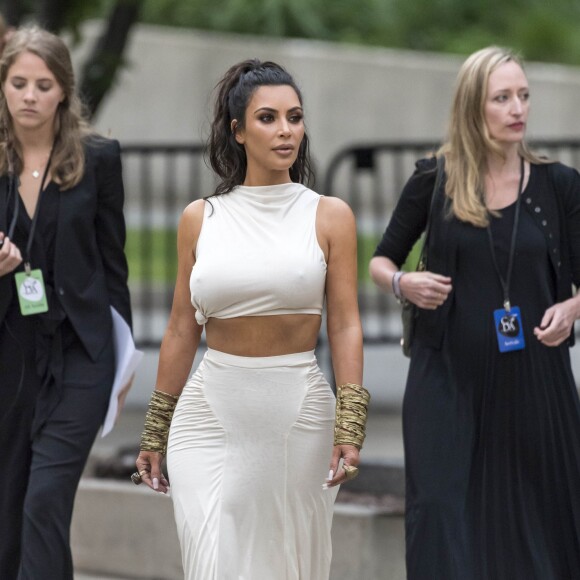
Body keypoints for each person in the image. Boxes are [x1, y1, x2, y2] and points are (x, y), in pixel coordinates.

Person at [134, 59, 368, 579]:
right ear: (237, 130)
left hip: (298, 414)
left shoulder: (329, 215)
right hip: (207, 415)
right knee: (210, 561)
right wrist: (155, 431)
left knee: (283, 565)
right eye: (268, 118)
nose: (285, 130)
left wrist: (351, 422)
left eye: (295, 116)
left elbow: (346, 324)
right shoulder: (201, 218)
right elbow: (179, 328)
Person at [370, 46, 580, 579]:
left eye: (524, 96)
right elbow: (380, 260)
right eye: (502, 98)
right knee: (440, 509)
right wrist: (403, 282)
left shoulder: (559, 186)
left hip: (535, 377)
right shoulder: (435, 179)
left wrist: (573, 306)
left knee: (538, 516)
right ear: (472, 106)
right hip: (447, 378)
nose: (518, 109)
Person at [0, 27, 132, 579]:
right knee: (11, 509)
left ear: (63, 92)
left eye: (43, 84)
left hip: (83, 353)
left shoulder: (97, 159)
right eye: (18, 82)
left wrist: (123, 365)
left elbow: (114, 266)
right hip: (11, 353)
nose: (29, 95)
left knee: (45, 498)